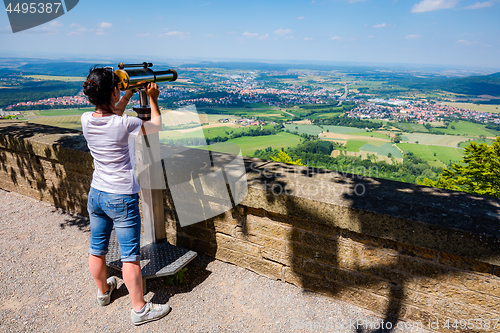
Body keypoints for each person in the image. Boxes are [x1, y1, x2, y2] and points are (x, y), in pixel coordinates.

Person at [81, 66, 170, 326]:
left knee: (97, 249)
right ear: (114, 90)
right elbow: (154, 126)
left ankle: (103, 292)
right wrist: (152, 98)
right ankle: (140, 310)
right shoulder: (126, 123)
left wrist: (127, 95)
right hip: (121, 196)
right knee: (130, 256)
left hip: (97, 194)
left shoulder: (86, 119)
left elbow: (112, 114)